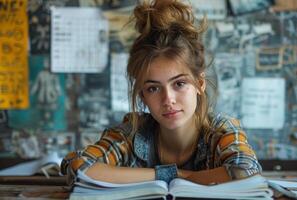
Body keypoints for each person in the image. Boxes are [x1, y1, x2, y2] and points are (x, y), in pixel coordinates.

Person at [60, 0, 261, 186]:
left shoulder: (220, 131)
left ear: (199, 84)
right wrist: (175, 174)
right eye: (153, 88)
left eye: (179, 83)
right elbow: (79, 166)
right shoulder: (132, 134)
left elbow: (246, 171)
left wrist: (183, 176)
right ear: (142, 96)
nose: (168, 100)